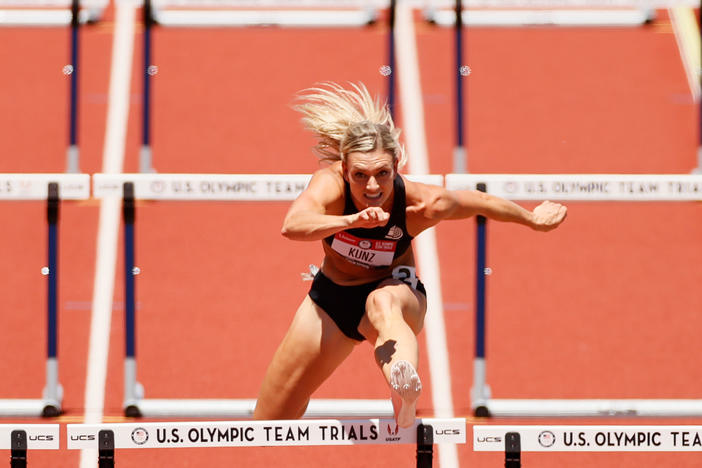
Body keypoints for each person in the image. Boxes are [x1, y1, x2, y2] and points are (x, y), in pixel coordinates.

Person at [253, 82, 567, 427]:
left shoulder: (421, 203)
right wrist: (350, 219)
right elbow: (292, 225)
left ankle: (402, 387)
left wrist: (533, 219)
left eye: (382, 174)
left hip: (397, 292)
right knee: (269, 421)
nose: (372, 186)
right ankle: (389, 380)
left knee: (381, 304)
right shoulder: (329, 186)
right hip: (331, 299)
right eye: (360, 175)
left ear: (397, 165)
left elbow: (479, 202)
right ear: (344, 169)